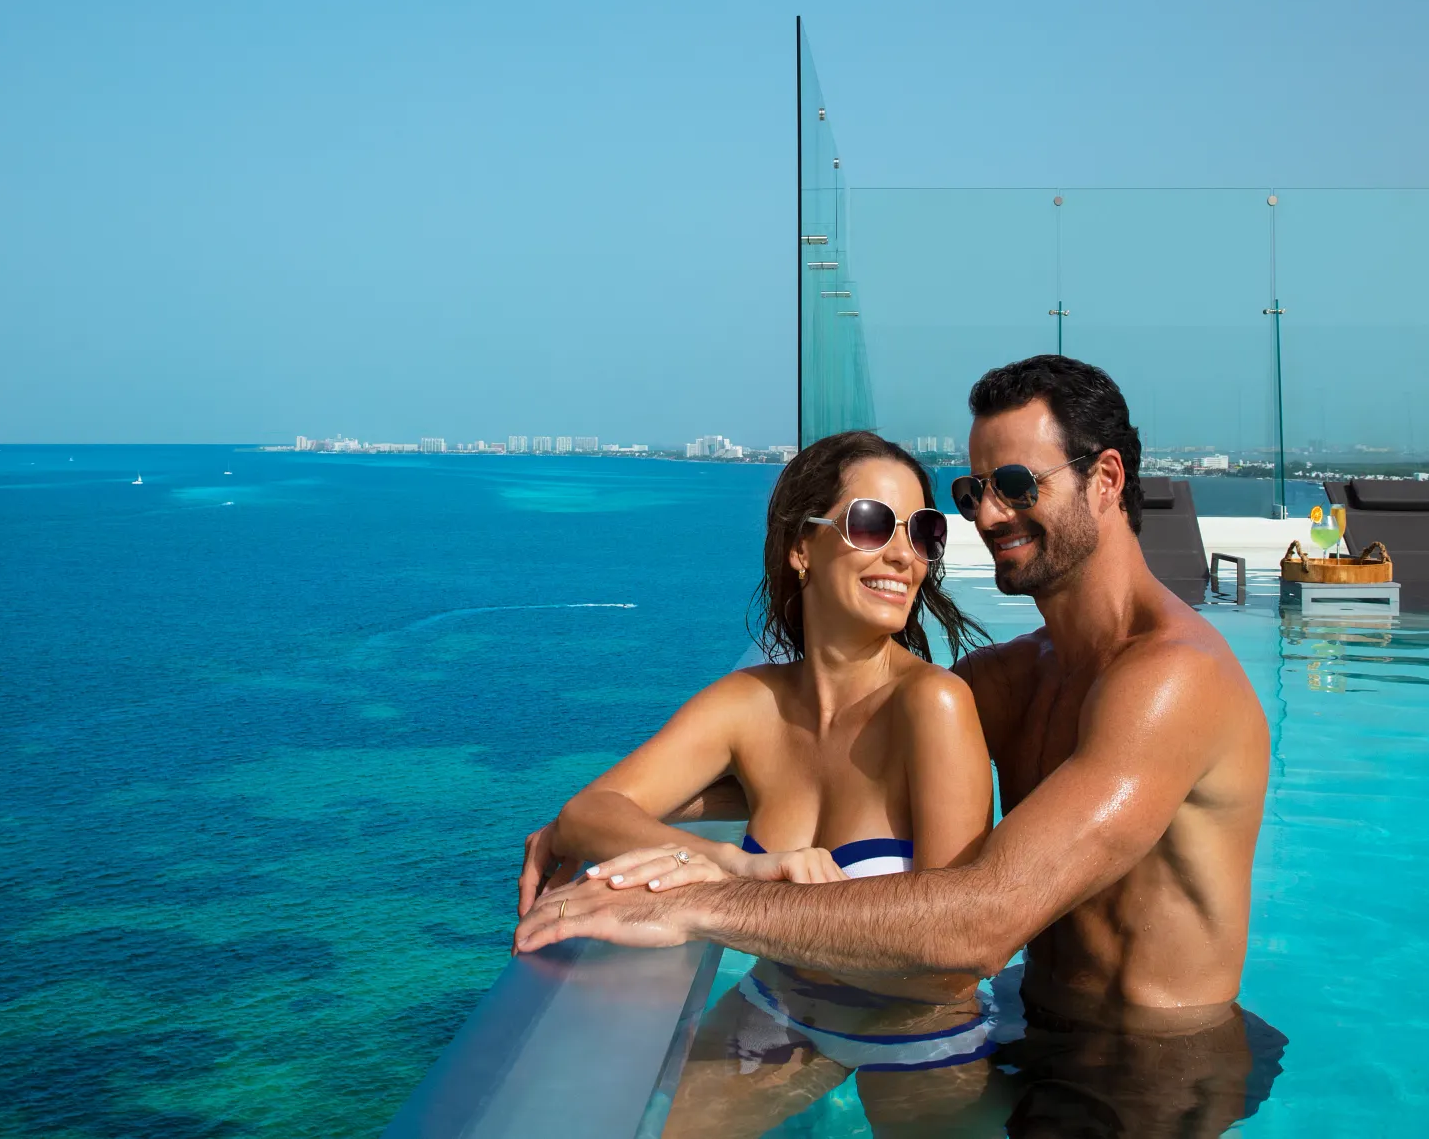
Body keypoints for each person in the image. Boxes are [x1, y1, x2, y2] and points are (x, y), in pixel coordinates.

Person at [518, 356, 1284, 1135]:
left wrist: (701, 901)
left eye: (1017, 483)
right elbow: (836, 760)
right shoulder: (1013, 677)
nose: (988, 516)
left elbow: (983, 924)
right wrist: (613, 825)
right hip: (1028, 1014)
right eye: (972, 493)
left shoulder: (1171, 681)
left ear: (1108, 478)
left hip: (1153, 1059)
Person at [531, 428, 1003, 1135]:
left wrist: (760, 908)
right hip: (782, 1011)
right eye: (872, 523)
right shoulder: (748, 705)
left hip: (920, 1036)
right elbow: (587, 811)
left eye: (923, 531)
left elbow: (952, 958)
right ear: (800, 545)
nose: (905, 555)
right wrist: (726, 863)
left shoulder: (930, 705)